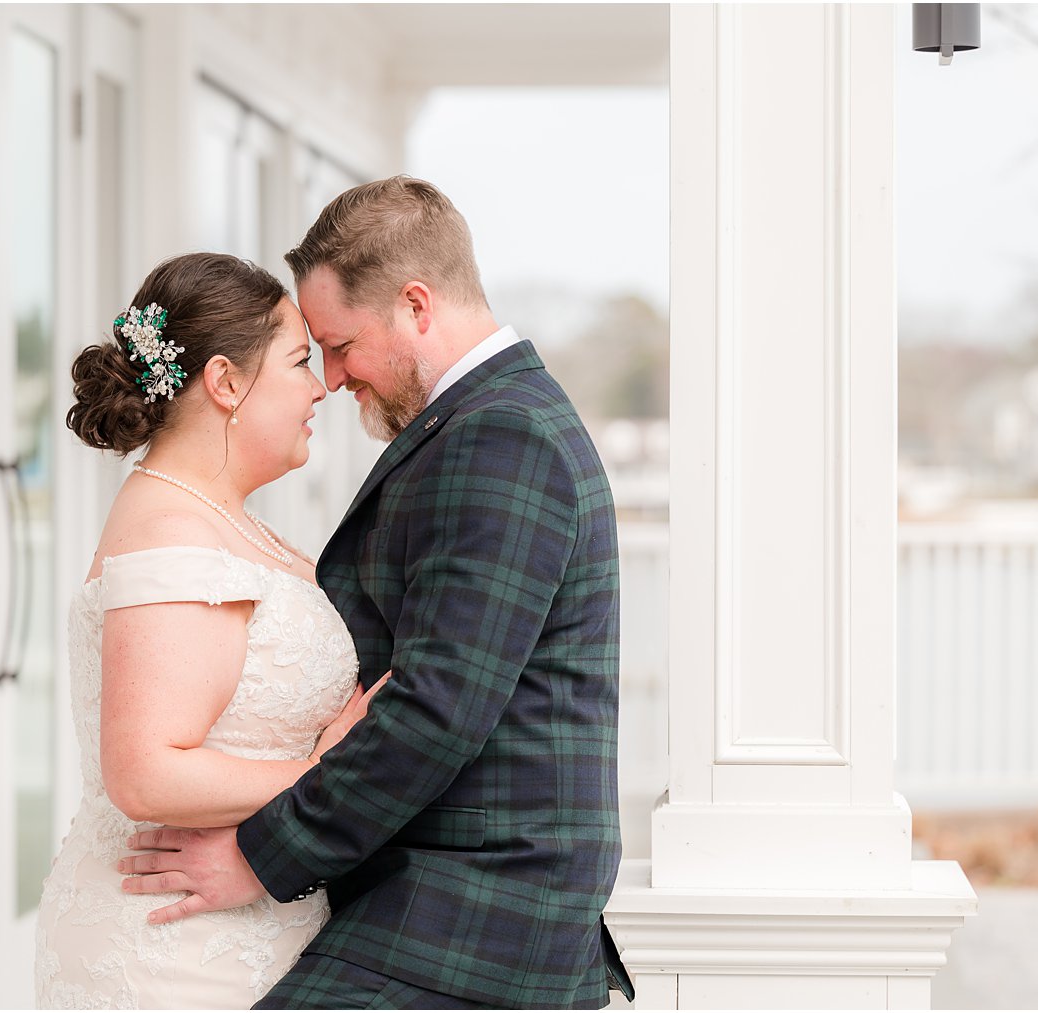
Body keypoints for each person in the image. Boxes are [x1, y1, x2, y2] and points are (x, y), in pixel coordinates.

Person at [119, 177, 633, 1009]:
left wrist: (257, 855)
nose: (331, 375)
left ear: (417, 307)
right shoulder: (482, 423)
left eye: (340, 343)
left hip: (470, 912)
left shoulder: (501, 437)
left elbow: (436, 709)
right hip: (429, 896)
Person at [34, 252, 388, 1008]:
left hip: (235, 924)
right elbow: (145, 772)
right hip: (174, 949)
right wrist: (326, 773)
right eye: (298, 361)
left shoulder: (217, 516)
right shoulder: (171, 530)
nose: (321, 385)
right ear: (225, 381)